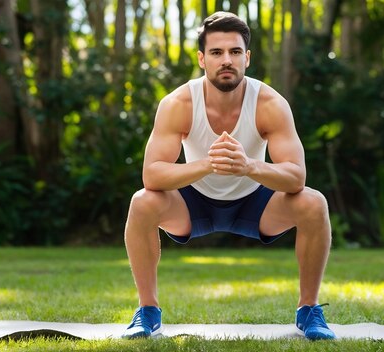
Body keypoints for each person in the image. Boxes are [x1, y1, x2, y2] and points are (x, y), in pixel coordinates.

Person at [121, 11, 336, 341]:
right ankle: (148, 311)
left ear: (247, 58)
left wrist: (248, 166)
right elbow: (151, 175)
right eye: (217, 52)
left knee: (313, 203)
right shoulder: (178, 103)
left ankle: (309, 310)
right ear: (201, 59)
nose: (226, 60)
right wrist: (209, 164)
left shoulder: (270, 103)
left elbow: (296, 178)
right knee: (142, 202)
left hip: (255, 202)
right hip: (194, 202)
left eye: (235, 52)